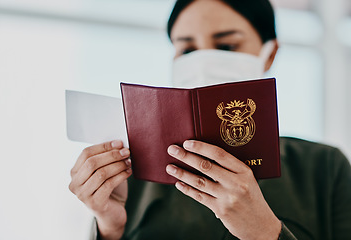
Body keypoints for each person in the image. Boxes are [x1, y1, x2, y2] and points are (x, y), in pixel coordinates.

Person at [68, 0, 351, 239]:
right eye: (188, 50)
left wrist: (265, 231)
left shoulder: (324, 168)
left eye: (226, 46)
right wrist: (109, 228)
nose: (202, 61)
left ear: (270, 53)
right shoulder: (137, 175)